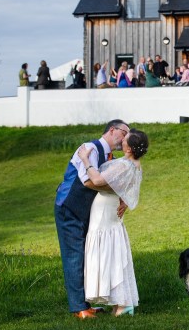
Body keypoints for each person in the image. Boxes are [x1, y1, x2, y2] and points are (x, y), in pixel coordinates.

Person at [54, 119, 131, 319]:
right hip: (69, 208)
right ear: (112, 130)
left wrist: (122, 196)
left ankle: (85, 304)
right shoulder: (90, 149)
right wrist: (118, 190)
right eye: (124, 133)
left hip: (84, 211)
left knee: (84, 254)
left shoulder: (108, 156)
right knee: (74, 256)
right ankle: (79, 308)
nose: (125, 139)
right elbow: (89, 182)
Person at [77, 128, 149, 317]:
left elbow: (98, 180)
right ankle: (121, 302)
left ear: (129, 149)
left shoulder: (125, 166)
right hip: (111, 211)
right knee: (113, 252)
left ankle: (123, 303)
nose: (122, 139)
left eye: (126, 139)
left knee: (107, 252)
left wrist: (85, 159)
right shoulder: (133, 163)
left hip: (105, 212)